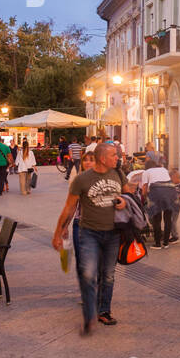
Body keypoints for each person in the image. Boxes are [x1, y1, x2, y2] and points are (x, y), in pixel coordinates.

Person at [54, 142, 131, 334]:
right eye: (114, 155)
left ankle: (104, 311)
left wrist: (124, 201)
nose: (117, 158)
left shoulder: (118, 174)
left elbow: (129, 195)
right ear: (103, 158)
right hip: (89, 233)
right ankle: (89, 316)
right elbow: (69, 207)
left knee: (108, 275)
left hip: (113, 233)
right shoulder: (82, 180)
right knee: (88, 273)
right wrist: (58, 232)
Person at [140, 160, 177, 249]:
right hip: (170, 191)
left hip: (157, 191)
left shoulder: (146, 172)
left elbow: (144, 188)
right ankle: (166, 243)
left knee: (157, 218)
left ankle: (157, 244)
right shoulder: (163, 169)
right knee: (168, 218)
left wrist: (144, 198)